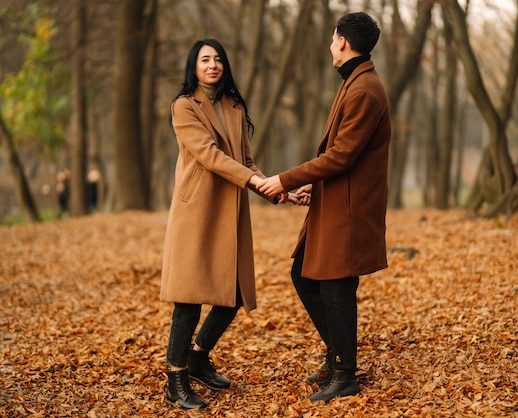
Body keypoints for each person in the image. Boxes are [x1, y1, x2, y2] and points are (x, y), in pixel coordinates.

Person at [258, 12, 391, 403]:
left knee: (336, 288)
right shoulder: (355, 82)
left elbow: (341, 156)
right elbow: (341, 158)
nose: (331, 46)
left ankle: (345, 374)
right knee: (304, 274)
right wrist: (313, 189)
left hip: (349, 210)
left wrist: (286, 179)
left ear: (343, 43)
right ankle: (338, 358)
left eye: (333, 39)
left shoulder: (365, 90)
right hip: (334, 202)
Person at [160, 39, 275, 410]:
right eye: (205, 59)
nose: (213, 65)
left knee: (235, 293)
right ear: (193, 66)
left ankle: (197, 357)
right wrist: (254, 181)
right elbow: (209, 155)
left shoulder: (234, 105)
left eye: (218, 59)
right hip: (198, 211)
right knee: (189, 300)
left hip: (232, 207)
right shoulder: (183, 106)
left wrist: (277, 189)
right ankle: (175, 380)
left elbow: (245, 159)